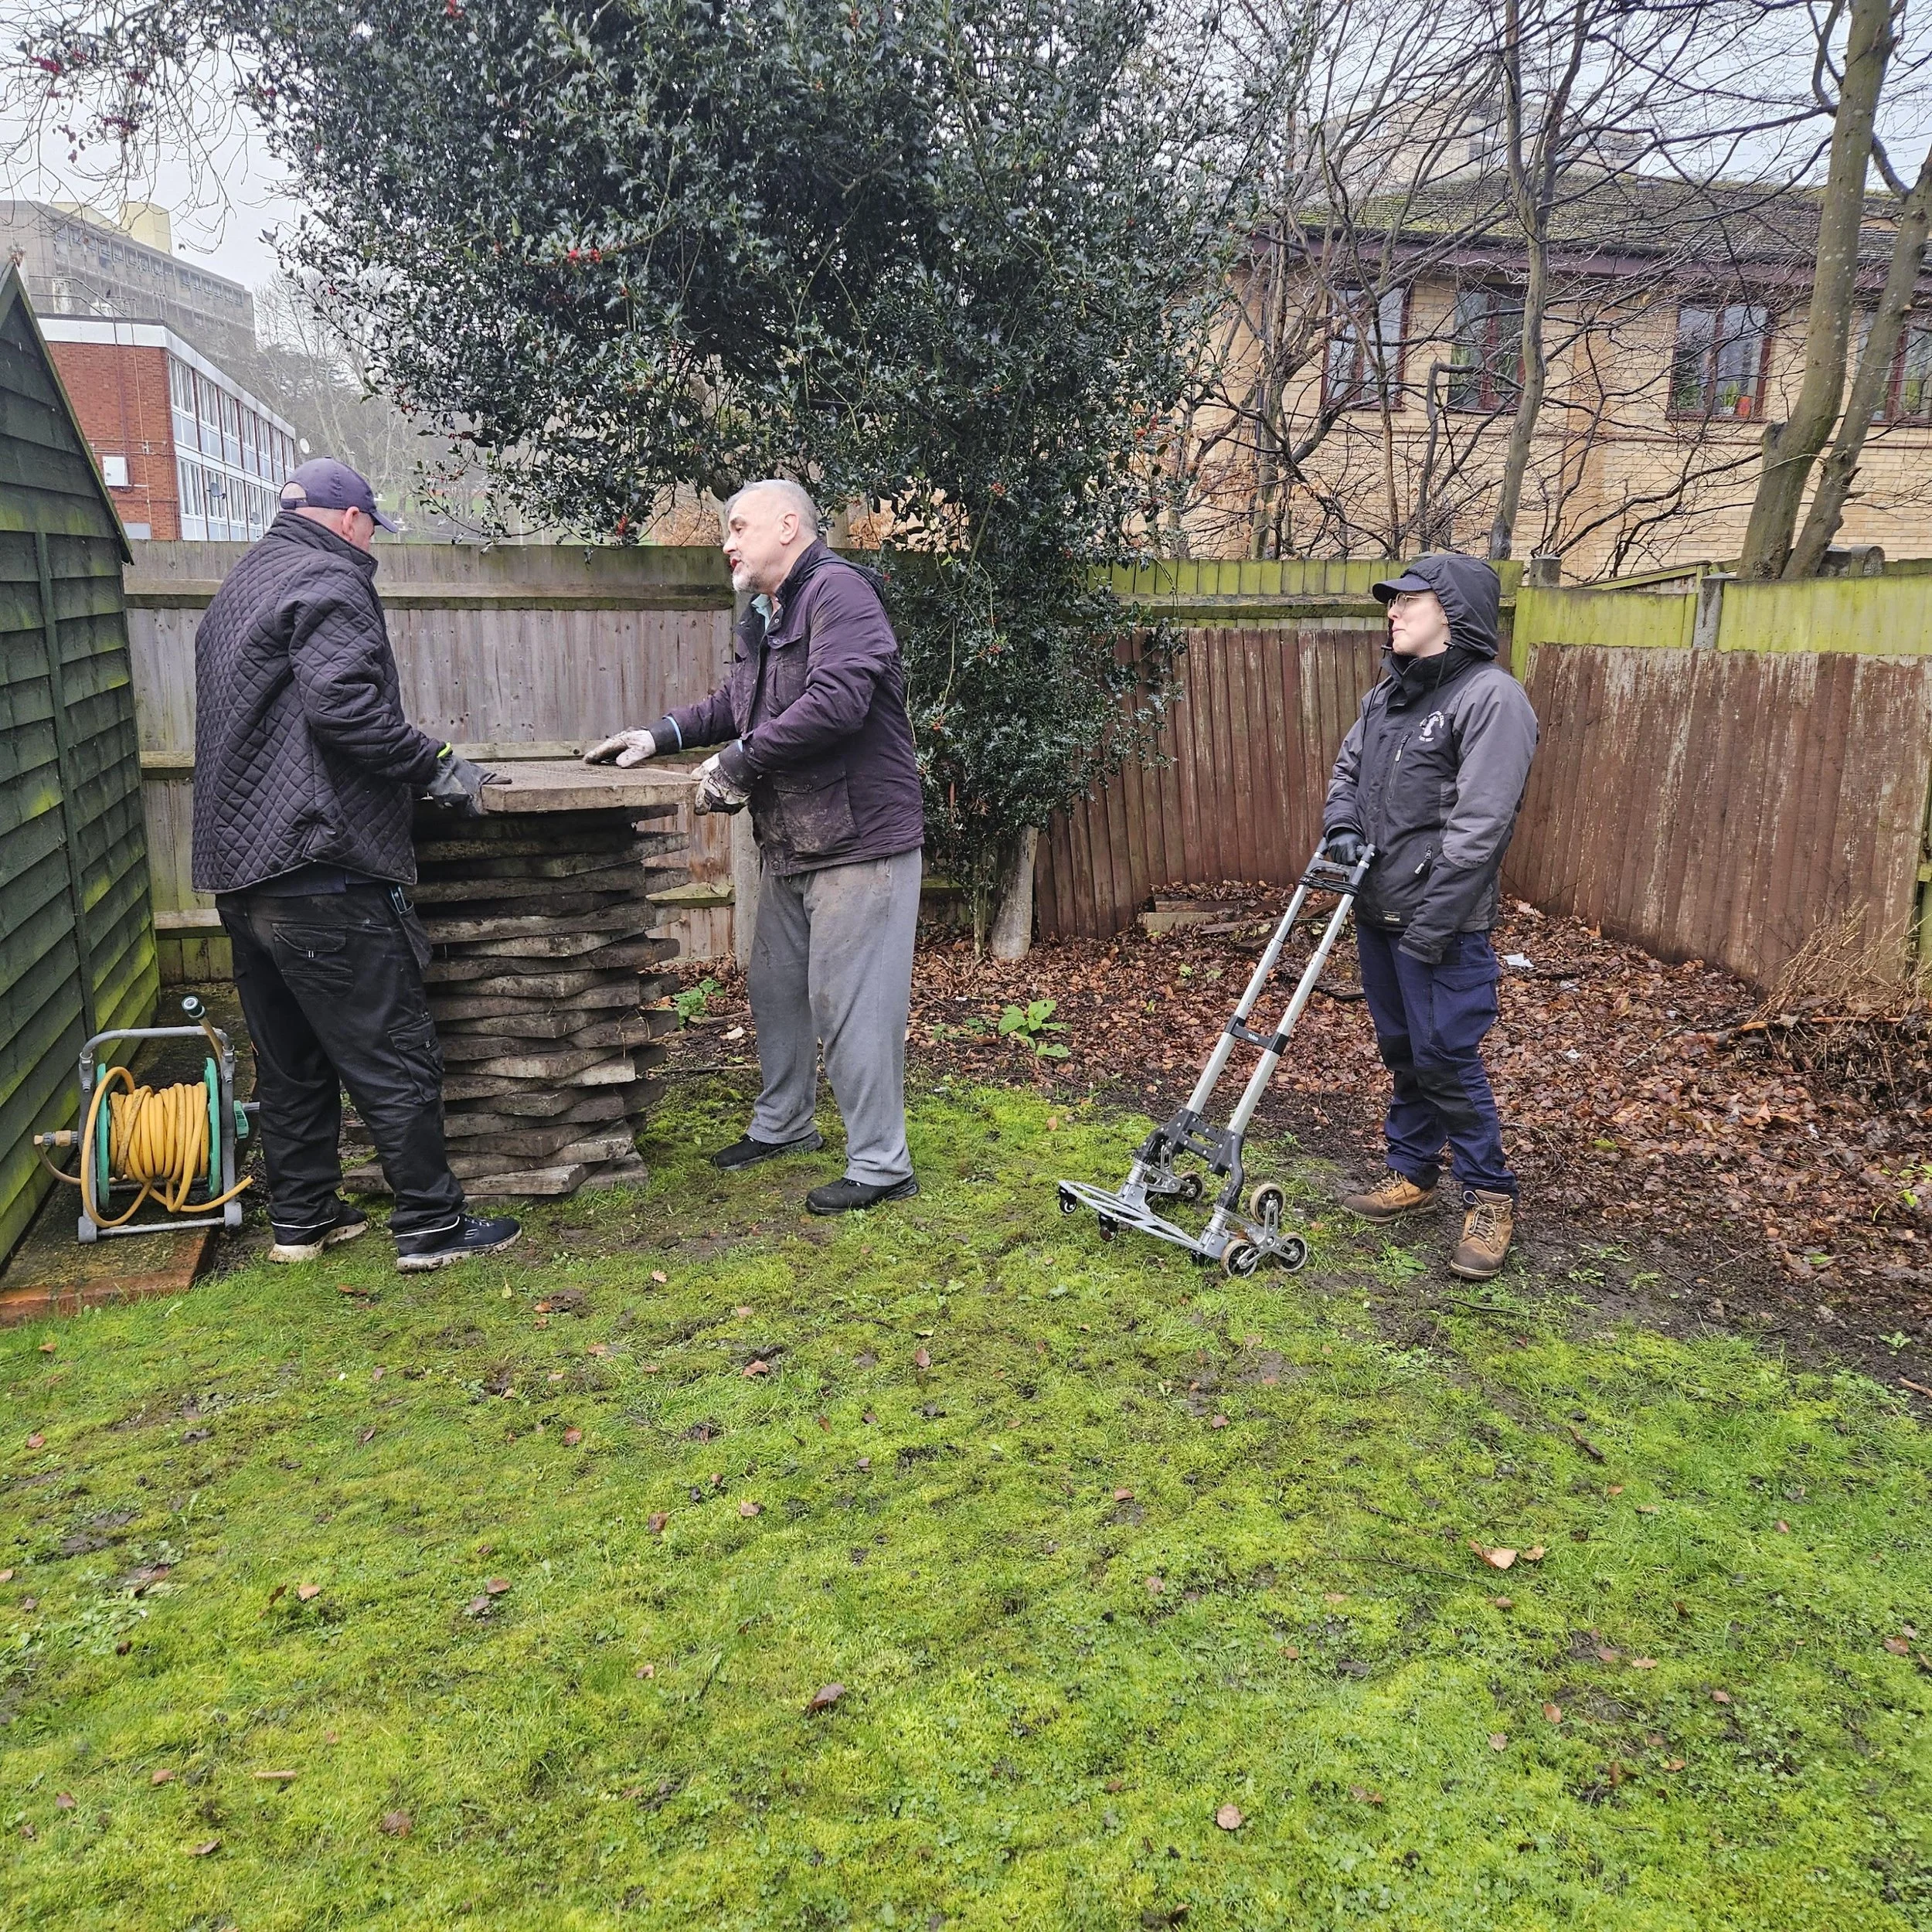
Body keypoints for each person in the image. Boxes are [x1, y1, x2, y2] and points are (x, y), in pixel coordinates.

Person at [192, 457, 521, 1272]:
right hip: (322, 867)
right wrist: (439, 764)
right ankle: (432, 1228)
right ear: (347, 519)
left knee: (293, 1060)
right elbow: (347, 710)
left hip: (244, 875)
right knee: (390, 1050)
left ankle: (302, 1219)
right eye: (372, 524)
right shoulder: (330, 581)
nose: (373, 539)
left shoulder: (236, 593)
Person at [585, 478, 925, 1213]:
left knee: (852, 1004)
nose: (728, 543)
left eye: (738, 527)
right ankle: (783, 1127)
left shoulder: (841, 596)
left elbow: (838, 700)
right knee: (775, 992)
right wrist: (659, 737)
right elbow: (736, 706)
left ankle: (881, 1162)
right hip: (796, 841)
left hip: (861, 843)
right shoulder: (766, 617)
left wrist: (739, 764)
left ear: (789, 525)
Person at [1321, 552, 1539, 1281]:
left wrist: (1430, 924)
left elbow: (1480, 828)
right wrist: (1342, 828)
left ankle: (1492, 1196)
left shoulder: (1492, 699)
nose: (1392, 613)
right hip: (1378, 909)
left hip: (1442, 922)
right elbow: (1348, 772)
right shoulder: (1390, 694)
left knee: (1445, 1056)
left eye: (1407, 602)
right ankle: (1412, 1172)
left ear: (1451, 612)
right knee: (1403, 1052)